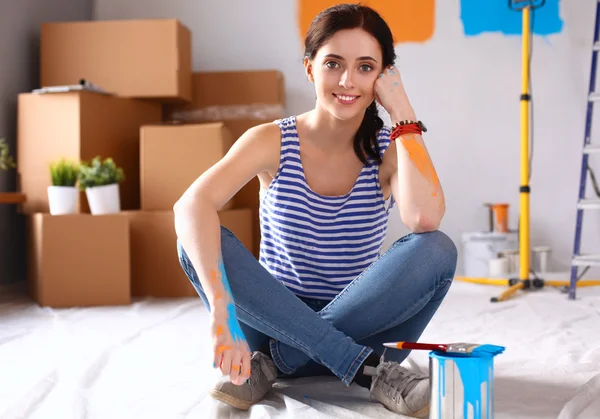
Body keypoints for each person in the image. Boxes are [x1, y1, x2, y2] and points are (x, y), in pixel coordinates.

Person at [174, 4, 457, 418]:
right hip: (270, 323)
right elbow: (191, 204)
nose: (347, 80)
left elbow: (425, 221)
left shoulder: (390, 148)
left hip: (360, 324)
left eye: (365, 67)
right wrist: (222, 311)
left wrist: (402, 113)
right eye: (333, 64)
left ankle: (280, 363)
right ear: (310, 69)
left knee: (437, 250)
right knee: (192, 240)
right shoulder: (270, 140)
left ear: (383, 77)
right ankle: (362, 370)